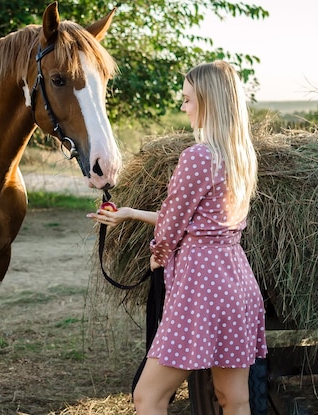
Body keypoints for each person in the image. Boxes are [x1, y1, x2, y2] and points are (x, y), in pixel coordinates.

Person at [87, 60, 267, 415]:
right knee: (234, 398)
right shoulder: (240, 156)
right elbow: (199, 223)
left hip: (202, 287)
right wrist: (132, 214)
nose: (183, 107)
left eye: (187, 99)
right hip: (236, 282)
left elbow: (172, 228)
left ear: (208, 101)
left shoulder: (198, 156)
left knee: (148, 396)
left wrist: (159, 253)